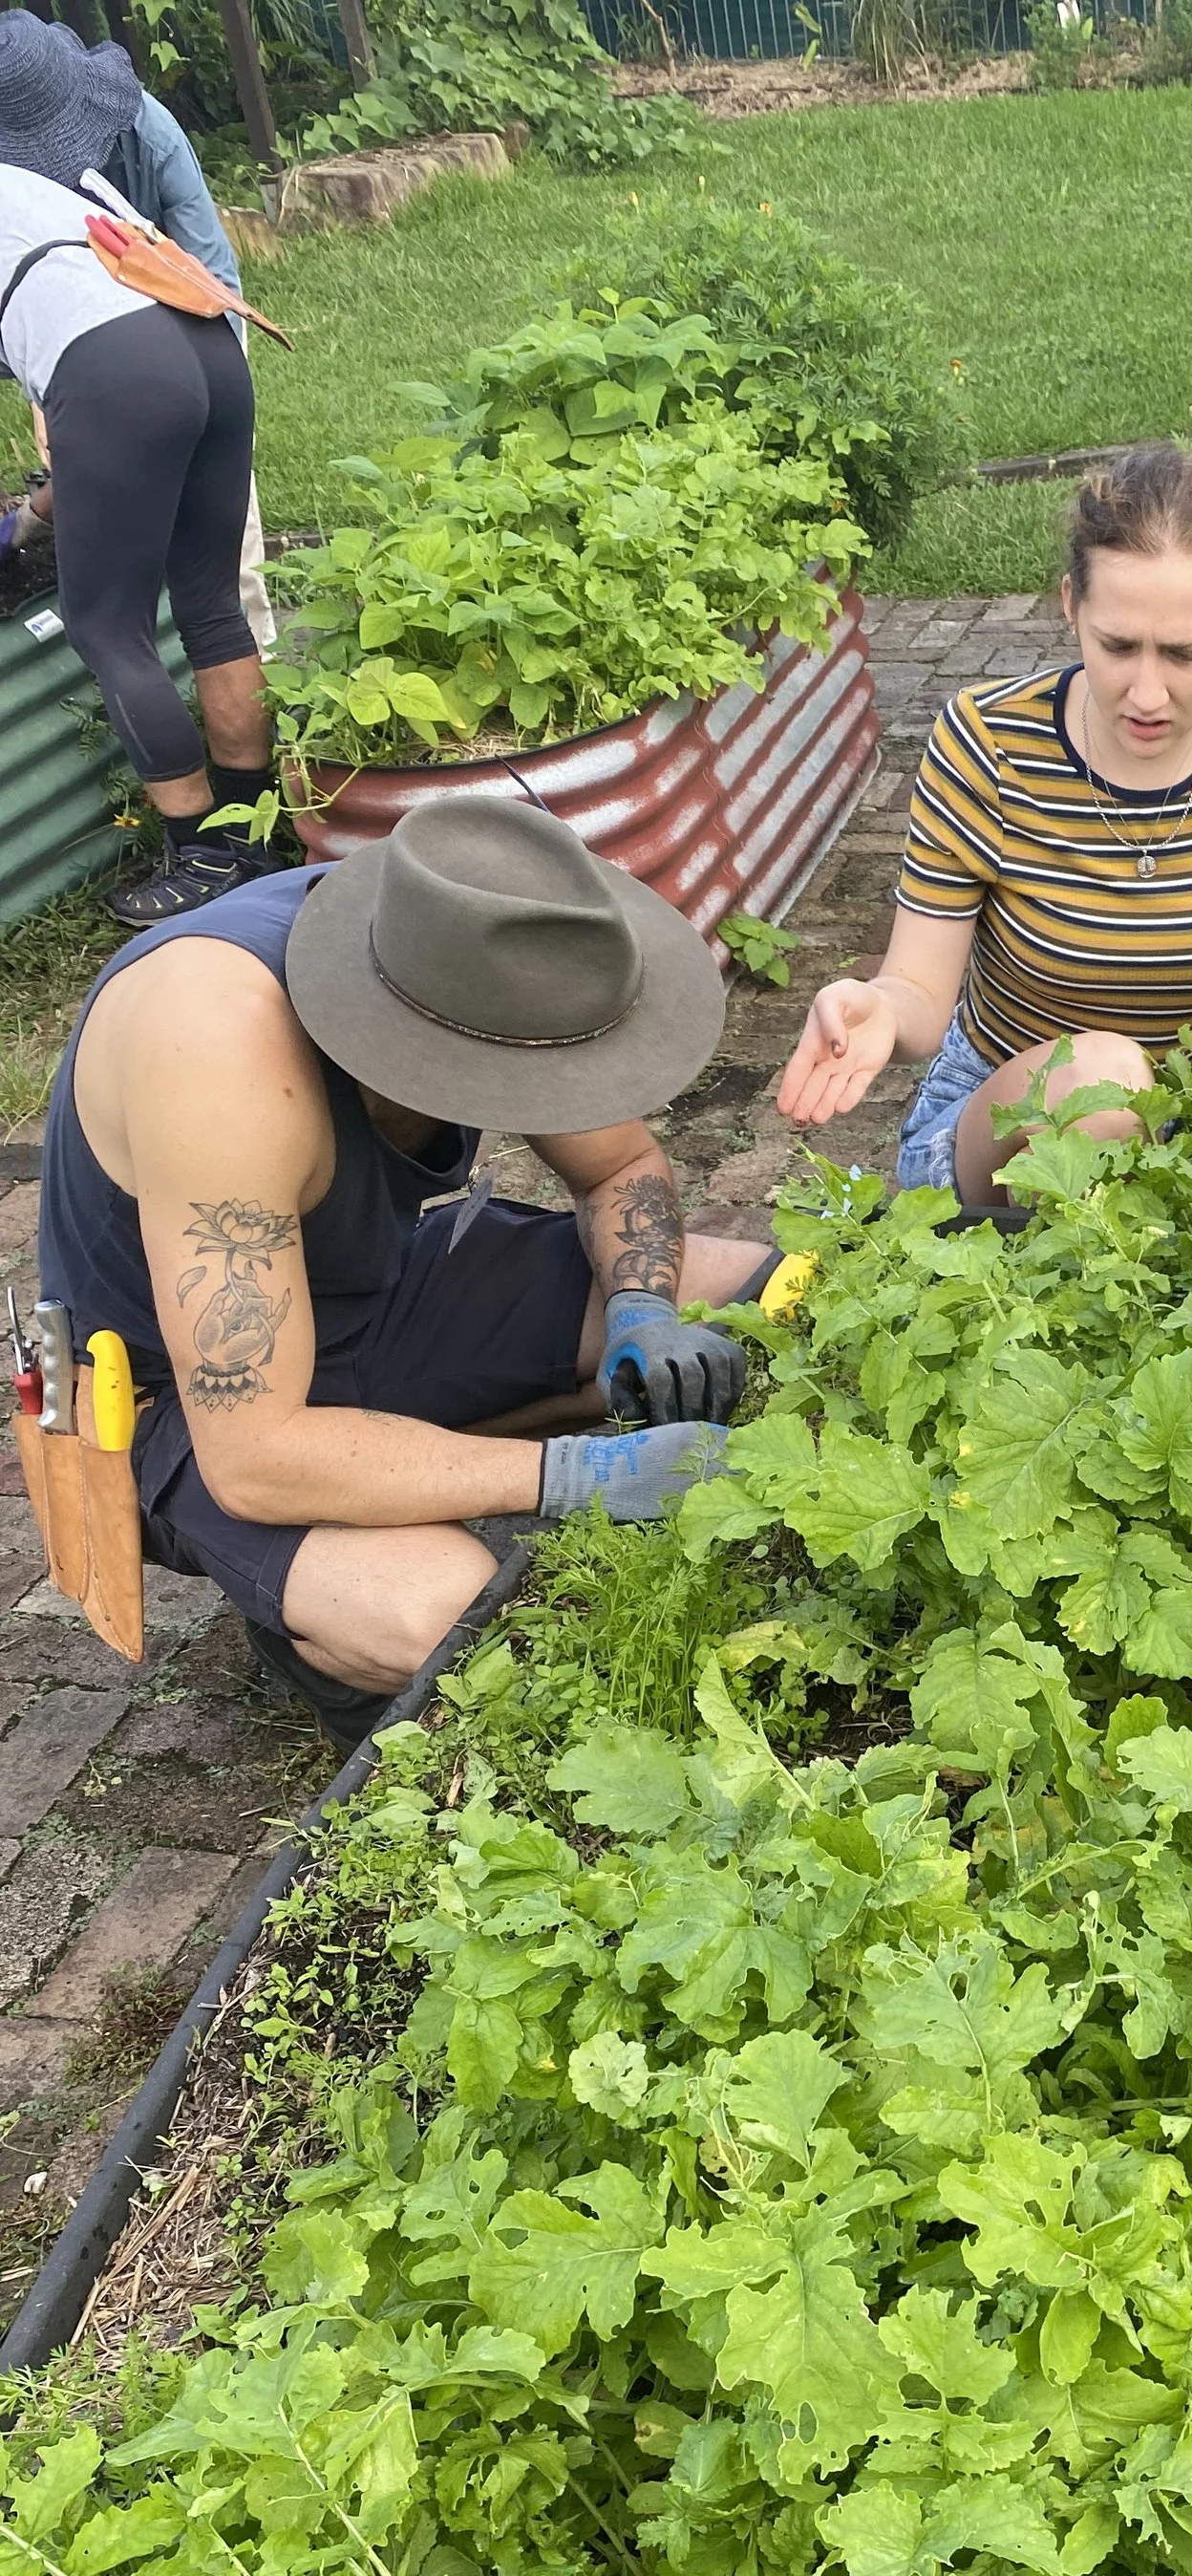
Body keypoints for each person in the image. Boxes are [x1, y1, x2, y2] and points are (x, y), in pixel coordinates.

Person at [41, 789, 772, 1747]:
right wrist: (581, 1476)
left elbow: (622, 1167)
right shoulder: (217, 1051)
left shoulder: (486, 960)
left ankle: (408, 1459)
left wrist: (643, 1312)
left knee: (755, 1297)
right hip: (173, 1402)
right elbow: (257, 1461)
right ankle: (320, 1643)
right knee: (451, 1616)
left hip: (367, 1294)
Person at [774, 445, 1192, 1198]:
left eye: (1183, 654)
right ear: (1070, 606)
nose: (1148, 693)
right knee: (1107, 1084)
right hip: (999, 1120)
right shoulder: (988, 744)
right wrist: (878, 1009)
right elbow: (920, 987)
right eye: (1117, 646)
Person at [0, 157, 273, 922]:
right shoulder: (27, 187)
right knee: (210, 599)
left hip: (117, 366)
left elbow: (100, 392)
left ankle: (203, 858)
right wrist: (32, 514)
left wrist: (23, 520)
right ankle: (251, 830)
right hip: (203, 331)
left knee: (106, 624)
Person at [0, 10, 276, 659]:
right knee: (117, 541)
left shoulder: (148, 131)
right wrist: (51, 407)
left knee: (225, 555)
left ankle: (261, 662)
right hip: (81, 357)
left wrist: (207, 425)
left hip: (190, 327)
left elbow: (213, 287)